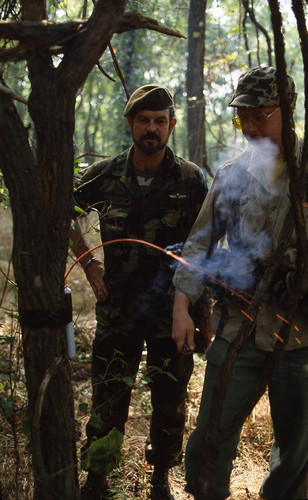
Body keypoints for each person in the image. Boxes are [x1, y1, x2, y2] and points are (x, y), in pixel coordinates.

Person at [172, 67, 308, 499]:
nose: (252, 126)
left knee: (294, 458)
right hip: (237, 325)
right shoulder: (232, 174)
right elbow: (199, 244)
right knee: (209, 439)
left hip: (306, 335)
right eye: (244, 116)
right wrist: (182, 307)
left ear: (289, 110)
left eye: (261, 115)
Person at [71, 84, 208, 500]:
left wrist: (200, 312)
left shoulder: (189, 178)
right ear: (130, 124)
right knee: (109, 392)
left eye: (160, 121)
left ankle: (161, 478)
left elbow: (205, 242)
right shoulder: (106, 174)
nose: (152, 129)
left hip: (174, 310)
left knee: (170, 397)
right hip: (118, 308)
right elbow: (63, 208)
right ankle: (97, 478)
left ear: (171, 125)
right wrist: (89, 262)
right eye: (144, 121)